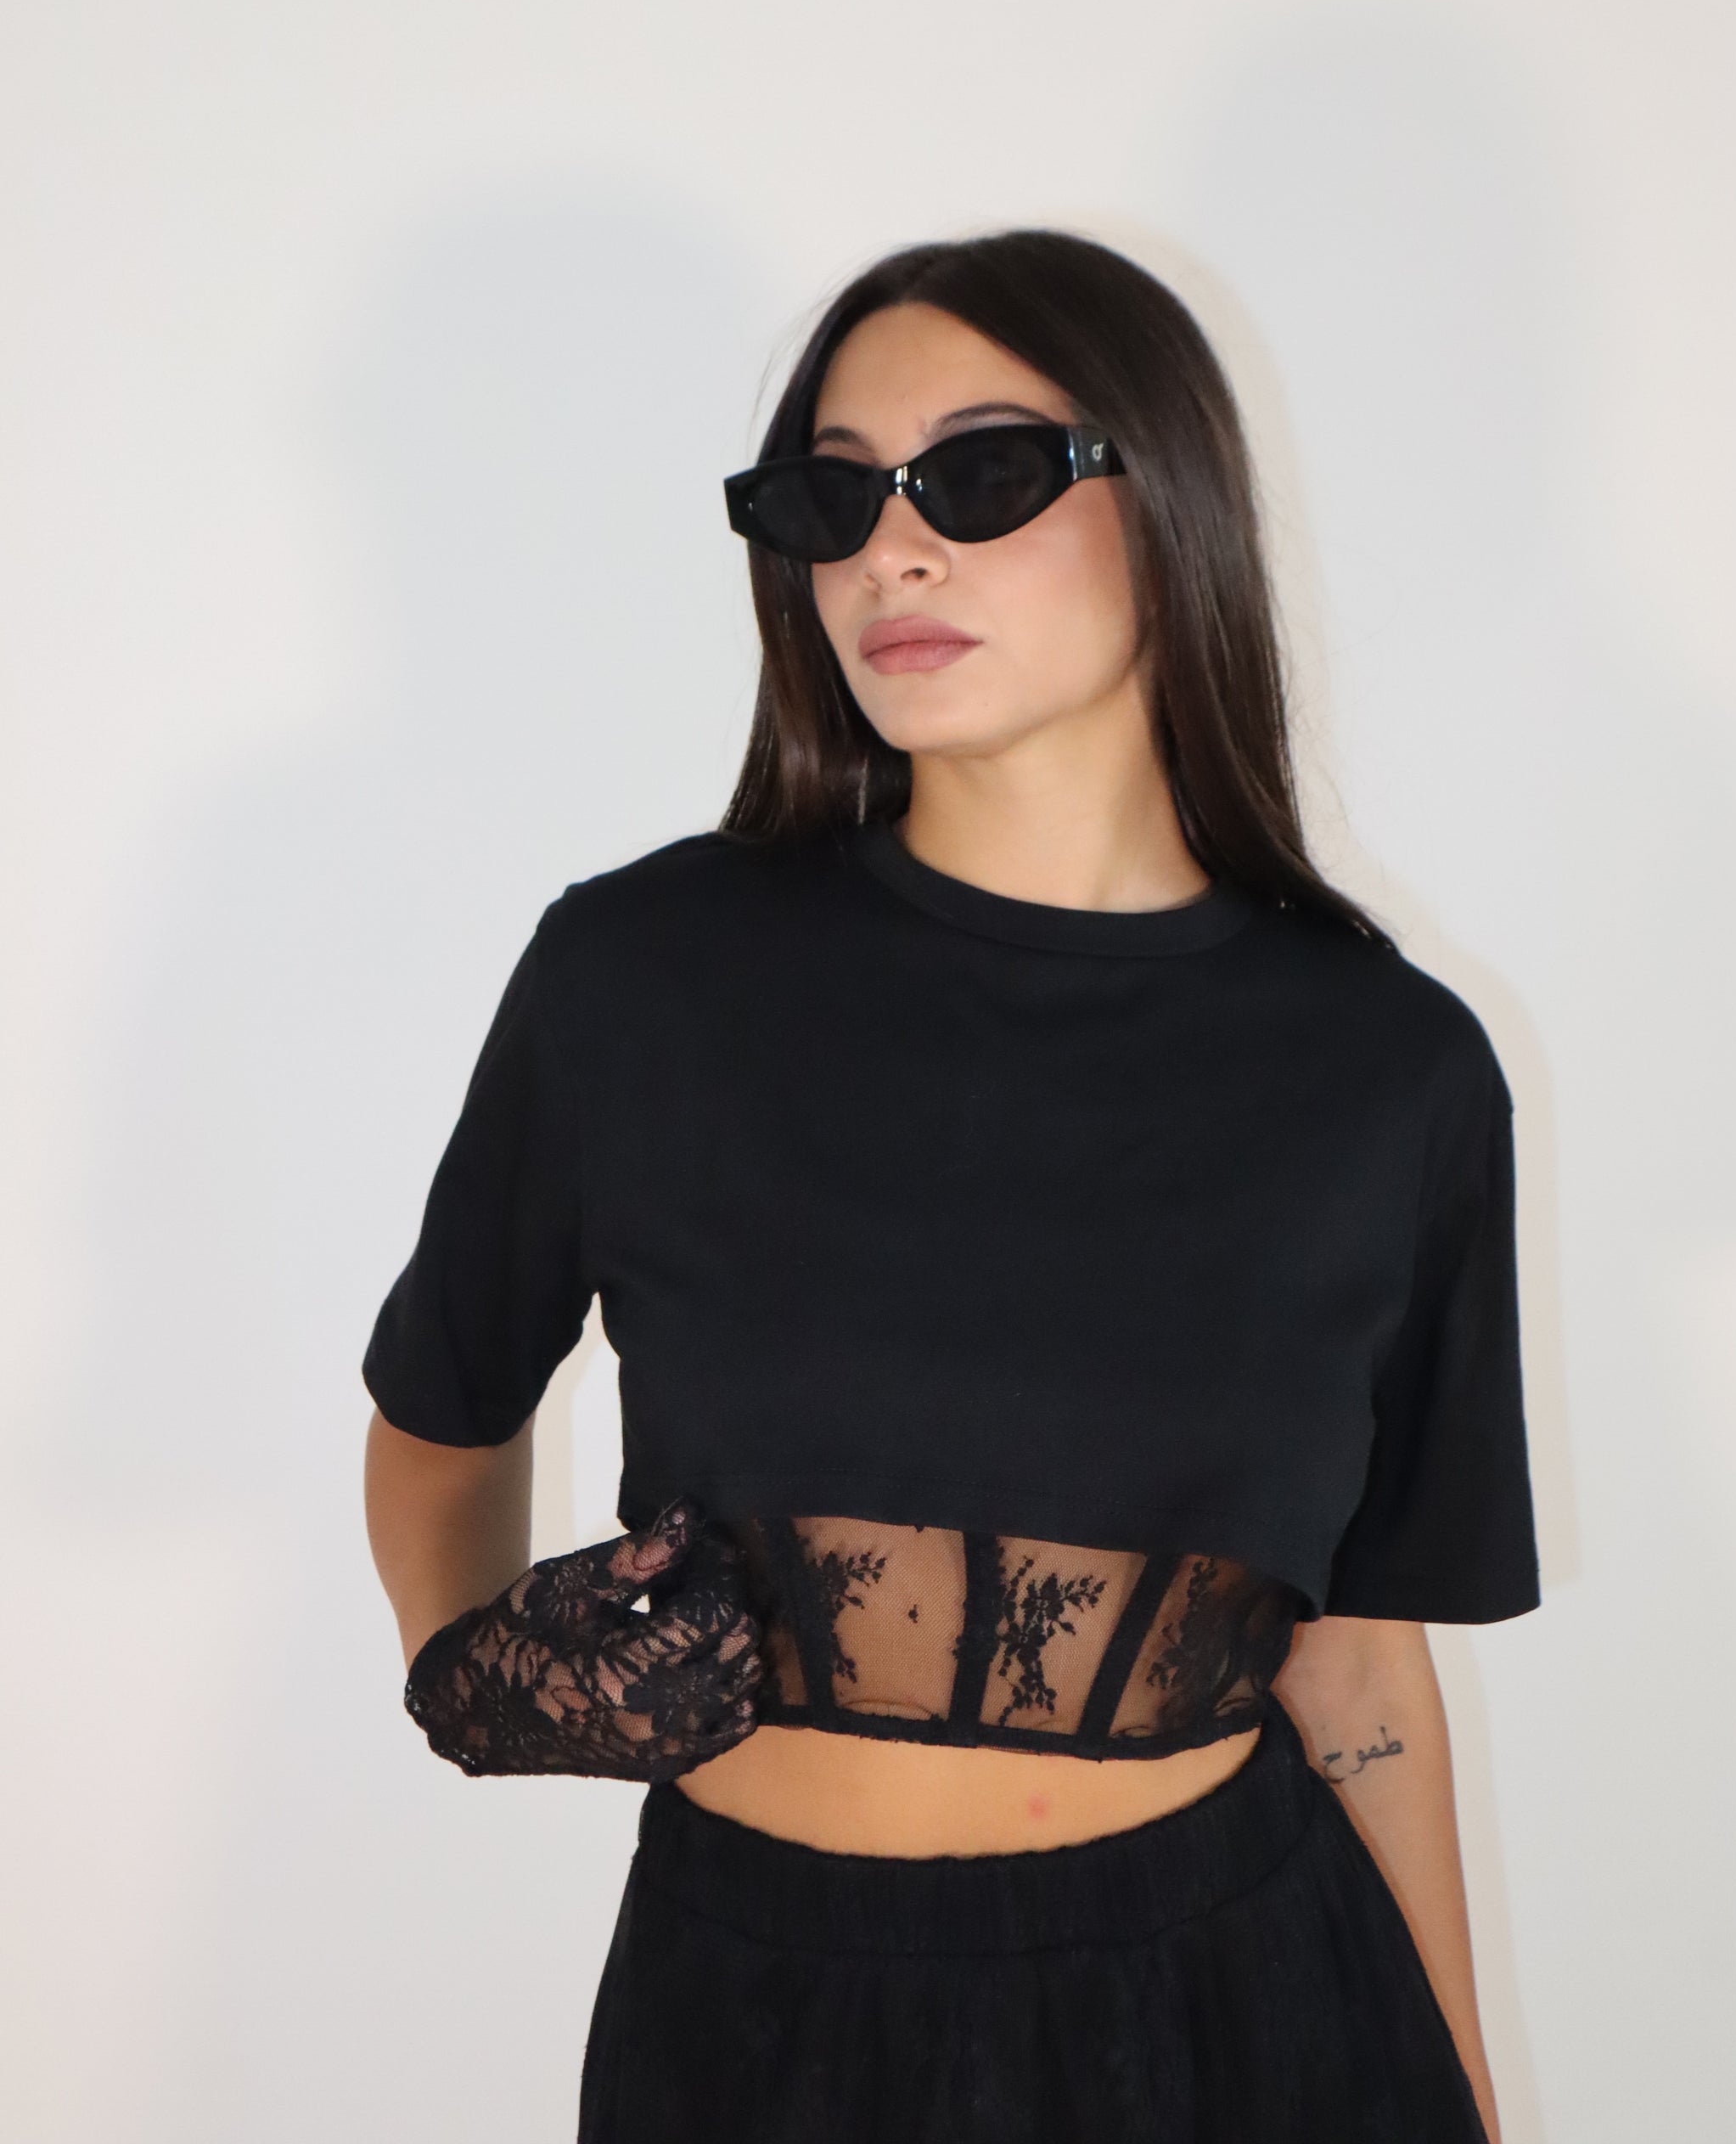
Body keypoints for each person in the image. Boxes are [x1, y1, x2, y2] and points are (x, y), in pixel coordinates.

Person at [362, 228, 1539, 2143]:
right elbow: (438, 1422)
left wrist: (1466, 2097)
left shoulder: (1385, 1070)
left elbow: (1354, 1657)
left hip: (1243, 2011)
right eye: (833, 498)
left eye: (979, 475)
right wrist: (473, 1670)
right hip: (751, 2020)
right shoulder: (642, 979)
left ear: (1174, 500)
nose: (888, 554)